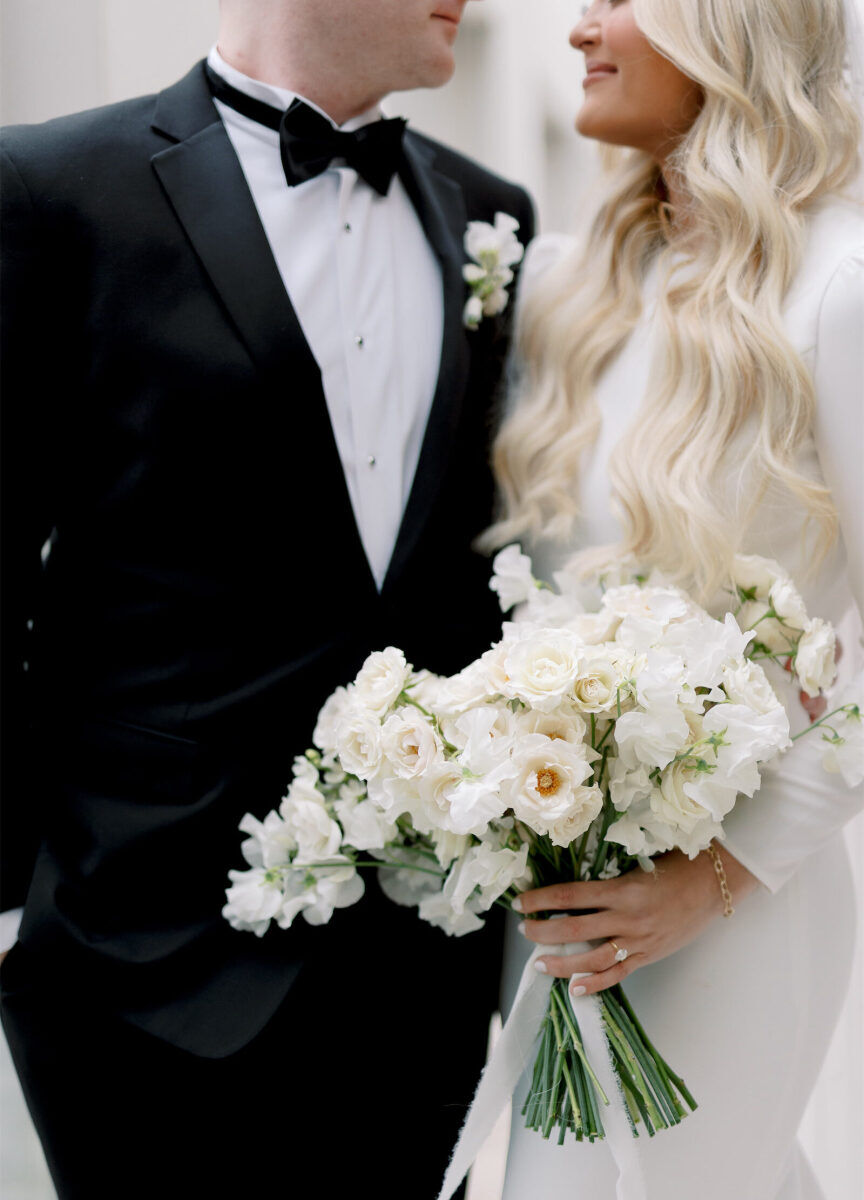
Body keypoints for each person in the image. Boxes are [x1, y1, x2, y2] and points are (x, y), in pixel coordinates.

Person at [0, 2, 535, 1196]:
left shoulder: (493, 216)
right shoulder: (52, 189)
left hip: (418, 968)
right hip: (137, 959)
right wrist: (41, 892)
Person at [487, 0, 864, 1196]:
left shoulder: (840, 287)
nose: (579, 30)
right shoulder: (575, 284)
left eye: (616, 0)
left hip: (736, 906)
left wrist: (714, 881)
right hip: (563, 902)